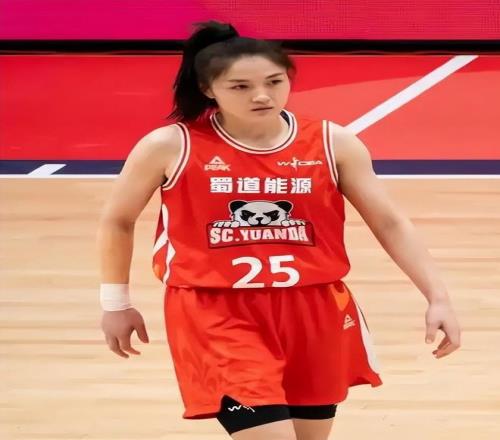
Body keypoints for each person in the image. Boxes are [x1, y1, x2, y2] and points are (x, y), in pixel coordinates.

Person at [97, 20, 461, 440]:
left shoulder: (333, 142)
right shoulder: (169, 146)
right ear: (208, 89)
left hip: (315, 310)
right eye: (240, 87)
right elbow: (117, 220)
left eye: (274, 81)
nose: (262, 95)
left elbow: (389, 222)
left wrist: (438, 297)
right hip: (216, 313)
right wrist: (115, 303)